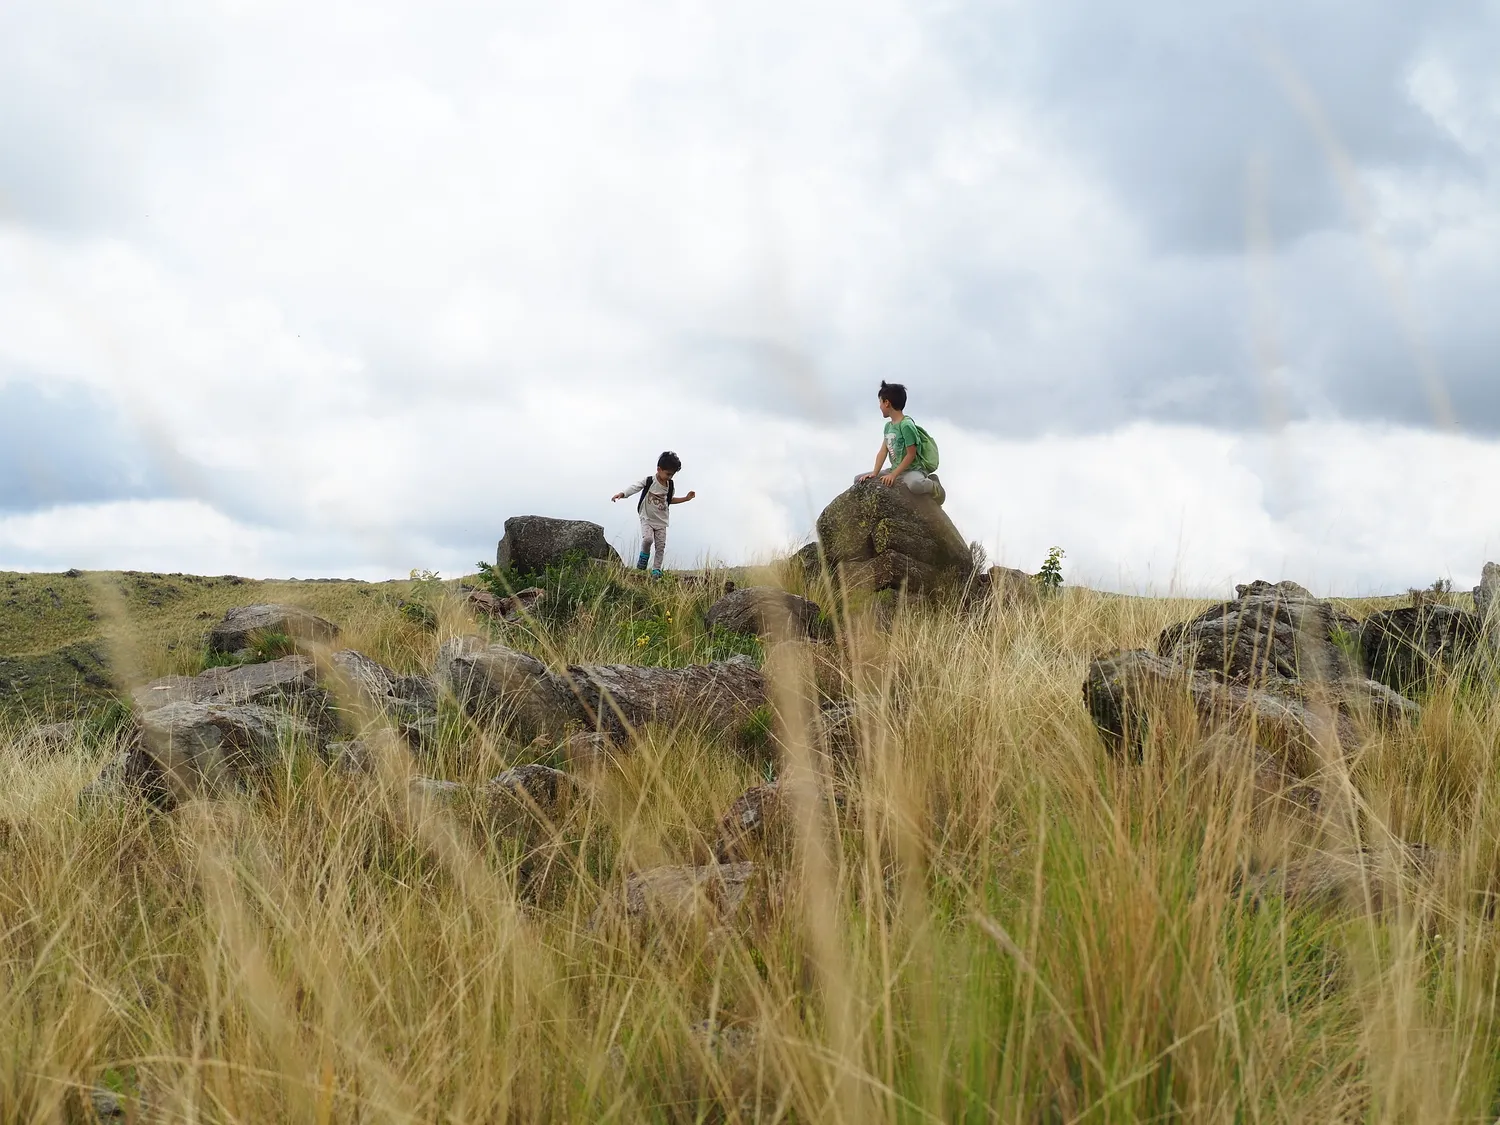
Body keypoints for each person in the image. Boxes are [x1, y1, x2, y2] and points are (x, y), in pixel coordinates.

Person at [856, 381, 944, 504]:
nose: (880, 406)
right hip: (895, 469)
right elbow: (883, 451)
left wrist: (893, 475)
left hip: (912, 470)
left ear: (887, 403)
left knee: (915, 485)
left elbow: (911, 454)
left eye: (880, 402)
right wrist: (874, 473)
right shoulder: (888, 426)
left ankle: (934, 486)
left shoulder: (906, 425)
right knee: (859, 480)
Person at [612, 451, 696, 577]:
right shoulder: (649, 481)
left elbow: (668, 500)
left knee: (660, 546)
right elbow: (635, 487)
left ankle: (656, 569)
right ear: (659, 469)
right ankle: (643, 559)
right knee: (648, 539)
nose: (669, 477)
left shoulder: (670, 486)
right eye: (668, 474)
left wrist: (686, 498)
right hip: (647, 518)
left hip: (661, 521)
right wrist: (622, 494)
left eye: (672, 475)